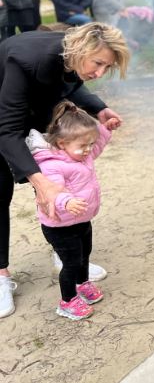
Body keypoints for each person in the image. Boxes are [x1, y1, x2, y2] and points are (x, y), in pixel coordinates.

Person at [0, 23, 129, 318]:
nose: (99, 73)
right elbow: (6, 131)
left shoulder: (70, 56)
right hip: (2, 116)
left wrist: (99, 107)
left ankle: (63, 251)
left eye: (105, 67)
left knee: (54, 178)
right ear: (82, 49)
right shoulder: (26, 61)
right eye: (97, 63)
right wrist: (39, 181)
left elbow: (70, 85)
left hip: (31, 110)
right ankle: (0, 276)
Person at [27, 102, 113, 320]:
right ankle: (67, 301)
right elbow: (52, 190)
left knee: (84, 256)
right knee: (71, 263)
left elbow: (97, 145)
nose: (89, 150)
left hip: (82, 220)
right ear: (62, 143)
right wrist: (66, 202)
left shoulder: (82, 154)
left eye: (90, 143)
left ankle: (82, 284)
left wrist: (105, 129)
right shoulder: (51, 164)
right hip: (60, 226)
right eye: (84, 145)